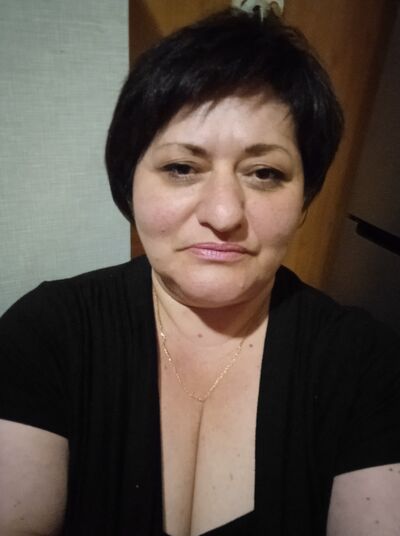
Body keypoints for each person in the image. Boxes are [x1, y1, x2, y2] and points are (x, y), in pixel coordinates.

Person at [0, 7, 399, 536]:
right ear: (128, 182)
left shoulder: (365, 365)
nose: (224, 213)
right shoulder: (48, 332)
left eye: (264, 173)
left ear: (305, 196)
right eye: (182, 168)